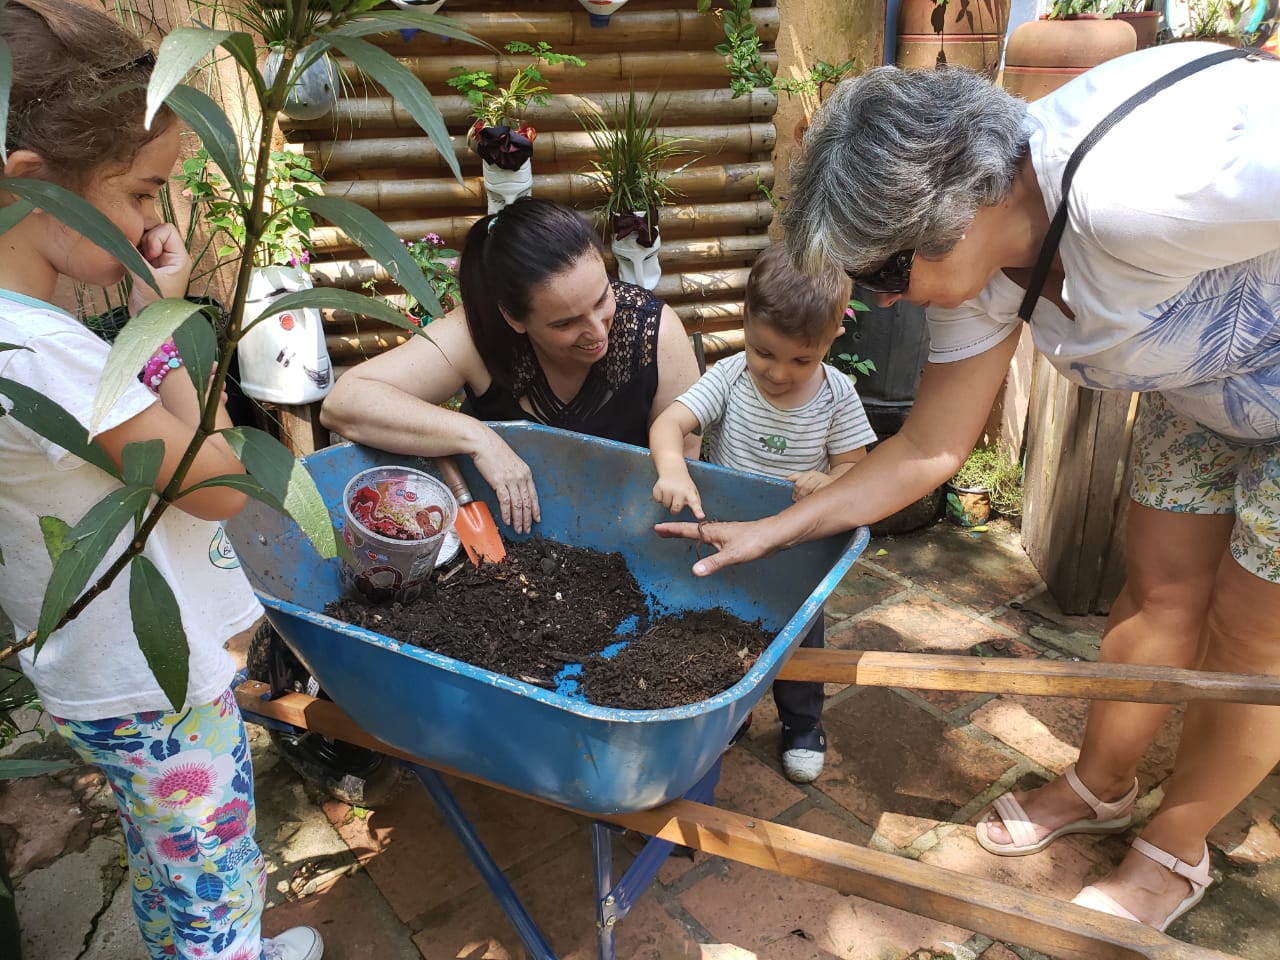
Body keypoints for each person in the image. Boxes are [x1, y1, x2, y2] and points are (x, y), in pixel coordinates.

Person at [654, 44, 1280, 932]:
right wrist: (771, 530)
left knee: (1252, 640)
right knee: (1162, 590)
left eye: (880, 274)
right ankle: (1100, 787)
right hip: (1209, 388)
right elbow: (926, 448)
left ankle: (1174, 850)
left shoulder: (1140, 197)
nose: (878, 302)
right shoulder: (985, 272)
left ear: (956, 211)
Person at [0, 2, 323, 958]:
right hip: (153, 679)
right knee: (215, 871)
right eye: (143, 192)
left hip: (106, 672)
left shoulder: (29, 335)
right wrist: (167, 325)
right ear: (28, 188)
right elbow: (217, 480)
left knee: (168, 854)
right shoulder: (42, 357)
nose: (155, 218)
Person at [320, 197, 702, 523]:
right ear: (513, 318)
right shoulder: (476, 334)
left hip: (628, 528)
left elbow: (687, 461)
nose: (597, 331)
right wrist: (479, 438)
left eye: (603, 298)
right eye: (565, 322)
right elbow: (345, 403)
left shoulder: (655, 331)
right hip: (507, 542)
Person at [649, 243, 874, 782]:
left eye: (802, 359)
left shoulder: (838, 396)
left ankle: (802, 723)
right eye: (764, 352)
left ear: (831, 341)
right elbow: (668, 425)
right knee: (726, 627)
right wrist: (673, 469)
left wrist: (830, 480)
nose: (778, 372)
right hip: (731, 535)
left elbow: (858, 471)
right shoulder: (728, 377)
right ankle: (732, 711)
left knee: (799, 643)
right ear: (745, 323)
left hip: (799, 546)